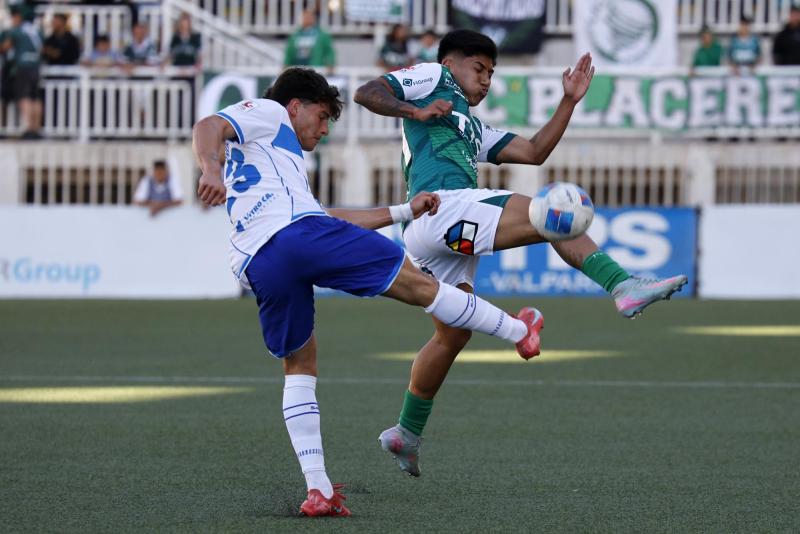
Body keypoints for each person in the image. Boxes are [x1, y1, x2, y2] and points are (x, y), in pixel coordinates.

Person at [192, 67, 544, 517]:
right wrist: (210, 167)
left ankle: (318, 489)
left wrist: (403, 210)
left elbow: (327, 217)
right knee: (419, 284)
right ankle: (518, 330)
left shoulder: (274, 162)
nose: (323, 129)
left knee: (299, 363)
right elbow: (208, 126)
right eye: (320, 118)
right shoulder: (270, 112)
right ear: (295, 106)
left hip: (259, 260)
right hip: (295, 235)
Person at [354, 29, 688, 477]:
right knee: (554, 215)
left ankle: (406, 433)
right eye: (480, 68)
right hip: (442, 207)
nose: (487, 79)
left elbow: (532, 151)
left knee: (452, 335)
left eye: (492, 73)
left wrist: (568, 102)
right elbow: (367, 92)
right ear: (452, 64)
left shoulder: (471, 126)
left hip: (430, 229)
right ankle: (622, 285)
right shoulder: (433, 76)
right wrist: (414, 108)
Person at [0, 5, 43, 139]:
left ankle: (28, 128)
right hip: (35, 66)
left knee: (24, 97)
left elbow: (5, 47)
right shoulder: (37, 31)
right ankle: (36, 128)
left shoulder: (17, 31)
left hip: (22, 66)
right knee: (35, 97)